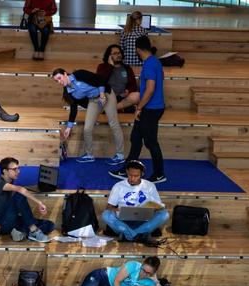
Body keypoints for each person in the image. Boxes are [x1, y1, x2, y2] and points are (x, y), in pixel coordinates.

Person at [109, 36, 166, 183]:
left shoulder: (149, 65)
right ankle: (126, 169)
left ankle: (159, 173)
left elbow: (150, 89)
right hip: (151, 107)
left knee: (150, 142)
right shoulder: (155, 62)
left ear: (138, 50)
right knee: (136, 138)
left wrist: (139, 107)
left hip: (151, 109)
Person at [52, 67, 125, 165]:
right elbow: (73, 109)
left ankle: (120, 155)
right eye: (57, 81)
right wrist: (69, 127)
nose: (59, 82)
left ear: (65, 74)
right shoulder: (68, 92)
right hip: (94, 100)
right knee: (87, 128)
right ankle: (89, 155)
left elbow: (100, 79)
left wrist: (102, 95)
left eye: (59, 78)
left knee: (113, 123)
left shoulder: (79, 74)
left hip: (106, 94)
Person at [0, 157, 53, 243]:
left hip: (9, 218)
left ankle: (20, 231)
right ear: (5, 171)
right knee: (19, 195)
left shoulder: (3, 181)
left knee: (49, 225)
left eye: (18, 168)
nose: (18, 171)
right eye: (14, 169)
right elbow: (20, 189)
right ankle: (33, 231)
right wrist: (39, 203)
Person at [103, 160, 169, 245]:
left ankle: (129, 236)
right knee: (106, 215)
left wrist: (154, 208)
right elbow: (109, 207)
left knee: (164, 214)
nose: (133, 178)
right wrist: (118, 209)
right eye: (130, 175)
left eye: (136, 176)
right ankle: (140, 235)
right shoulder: (118, 186)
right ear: (127, 172)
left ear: (141, 174)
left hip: (143, 222)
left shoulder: (150, 186)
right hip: (123, 222)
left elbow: (158, 206)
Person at [96, 44, 140, 113]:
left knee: (137, 95)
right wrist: (110, 66)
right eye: (115, 53)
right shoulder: (102, 67)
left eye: (119, 53)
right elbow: (99, 81)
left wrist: (128, 91)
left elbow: (133, 85)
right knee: (99, 100)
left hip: (122, 98)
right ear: (109, 56)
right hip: (108, 97)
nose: (118, 55)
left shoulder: (127, 68)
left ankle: (112, 109)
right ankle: (122, 109)